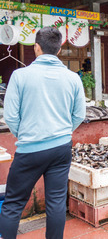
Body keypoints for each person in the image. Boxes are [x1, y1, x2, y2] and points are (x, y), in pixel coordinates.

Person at [0, 27, 86, 239]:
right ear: (58, 50)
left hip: (30, 149)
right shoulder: (73, 78)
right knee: (56, 202)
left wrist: (27, 135)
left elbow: (10, 116)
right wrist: (63, 133)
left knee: (13, 204)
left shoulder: (19, 76)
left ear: (36, 48)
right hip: (61, 148)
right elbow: (79, 114)